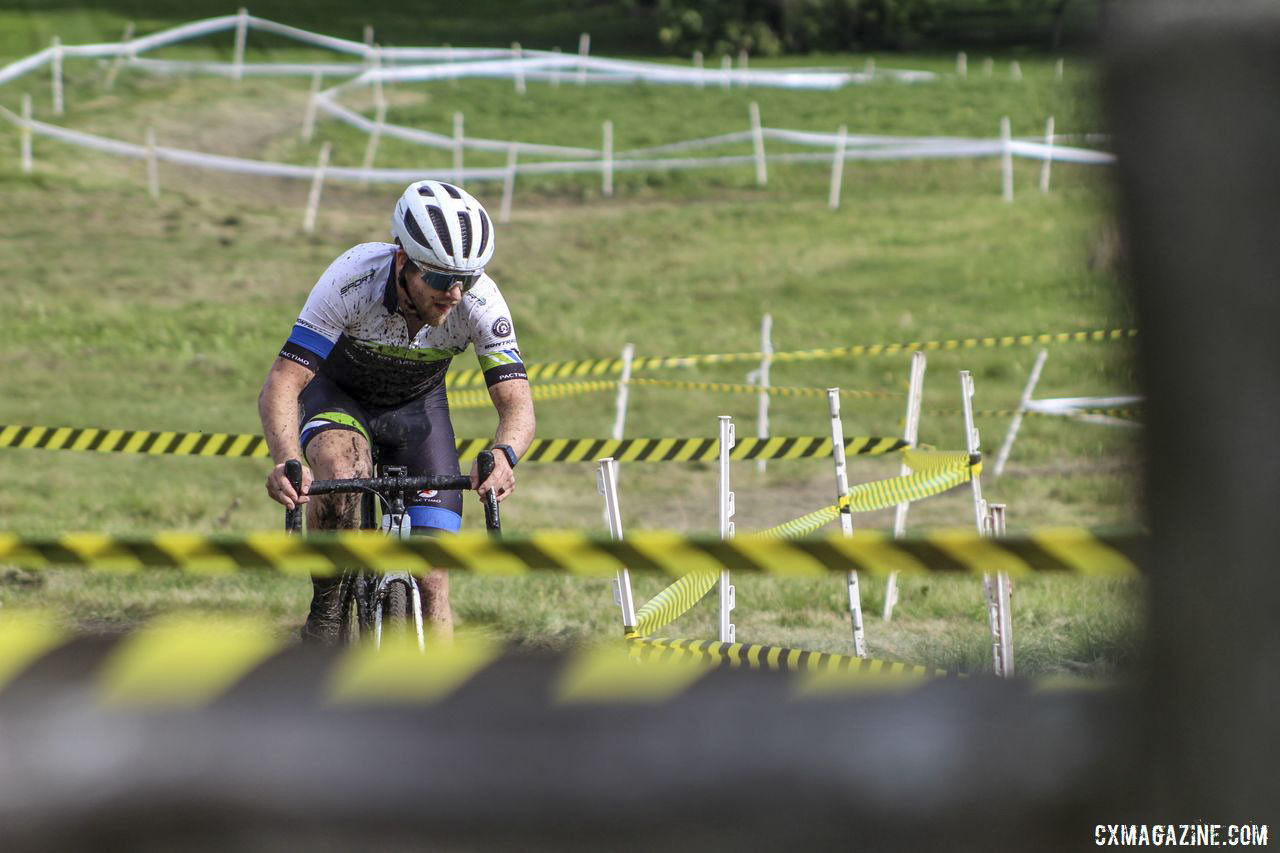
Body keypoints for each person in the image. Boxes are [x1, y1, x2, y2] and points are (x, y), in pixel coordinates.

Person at [258, 180, 535, 643]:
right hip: (340, 396)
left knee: (434, 580)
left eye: (466, 280)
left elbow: (518, 402)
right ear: (403, 262)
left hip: (418, 408)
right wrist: (287, 459)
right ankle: (326, 613)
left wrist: (504, 455)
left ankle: (442, 708)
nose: (456, 295)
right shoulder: (351, 279)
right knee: (343, 468)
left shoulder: (481, 302)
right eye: (443, 280)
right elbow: (282, 383)